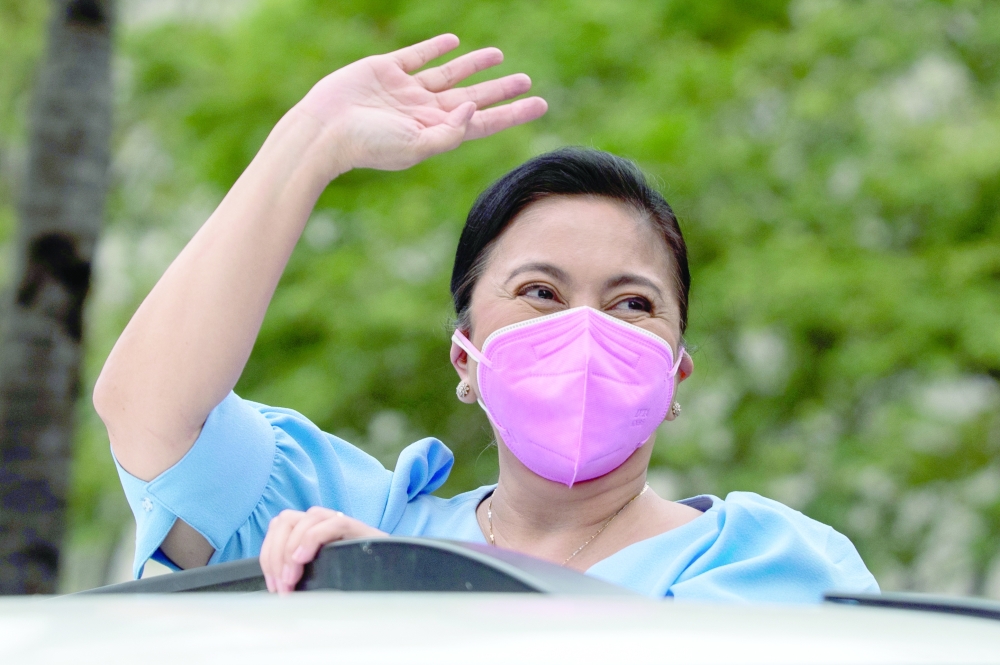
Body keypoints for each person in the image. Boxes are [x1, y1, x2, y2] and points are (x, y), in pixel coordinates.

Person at [94, 34, 879, 602]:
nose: (584, 327)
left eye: (632, 303)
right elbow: (150, 415)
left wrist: (420, 590)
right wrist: (309, 142)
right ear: (465, 356)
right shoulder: (360, 515)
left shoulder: (773, 565)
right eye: (539, 291)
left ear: (677, 373)